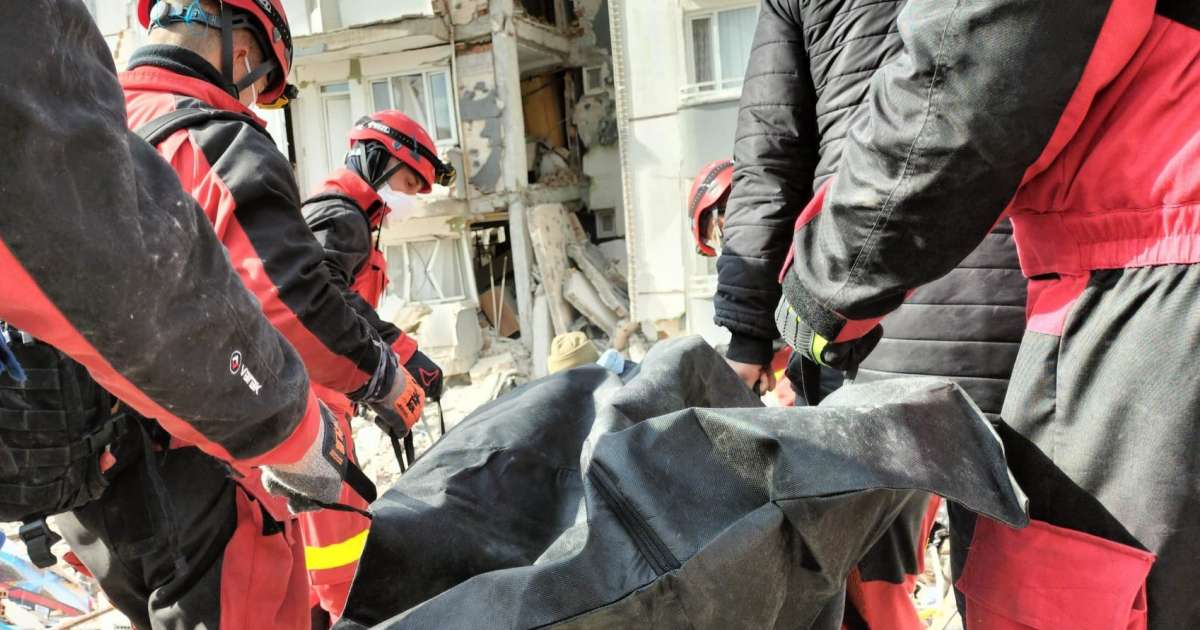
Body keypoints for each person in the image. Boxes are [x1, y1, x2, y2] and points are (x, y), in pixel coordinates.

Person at [772, 0, 1199, 627]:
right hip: (1066, 283)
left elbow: (968, 64)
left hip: (1141, 287)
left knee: (1065, 591)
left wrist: (818, 292)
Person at [51, 1, 427, 627]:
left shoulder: (89, 122)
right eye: (261, 83)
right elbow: (290, 303)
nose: (252, 99)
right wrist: (385, 378)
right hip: (198, 463)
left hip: (95, 471)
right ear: (243, 51)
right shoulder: (210, 135)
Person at [708, 0, 1027, 626]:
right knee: (1021, 572)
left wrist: (750, 340)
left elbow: (772, 159)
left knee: (863, 573)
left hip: (860, 322)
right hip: (1013, 305)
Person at [300, 110, 451, 620]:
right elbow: (322, 297)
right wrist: (401, 356)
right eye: (411, 182)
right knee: (339, 544)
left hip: (323, 404)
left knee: (306, 545)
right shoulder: (340, 214)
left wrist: (374, 386)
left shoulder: (356, 219)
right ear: (378, 160)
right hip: (311, 414)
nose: (412, 198)